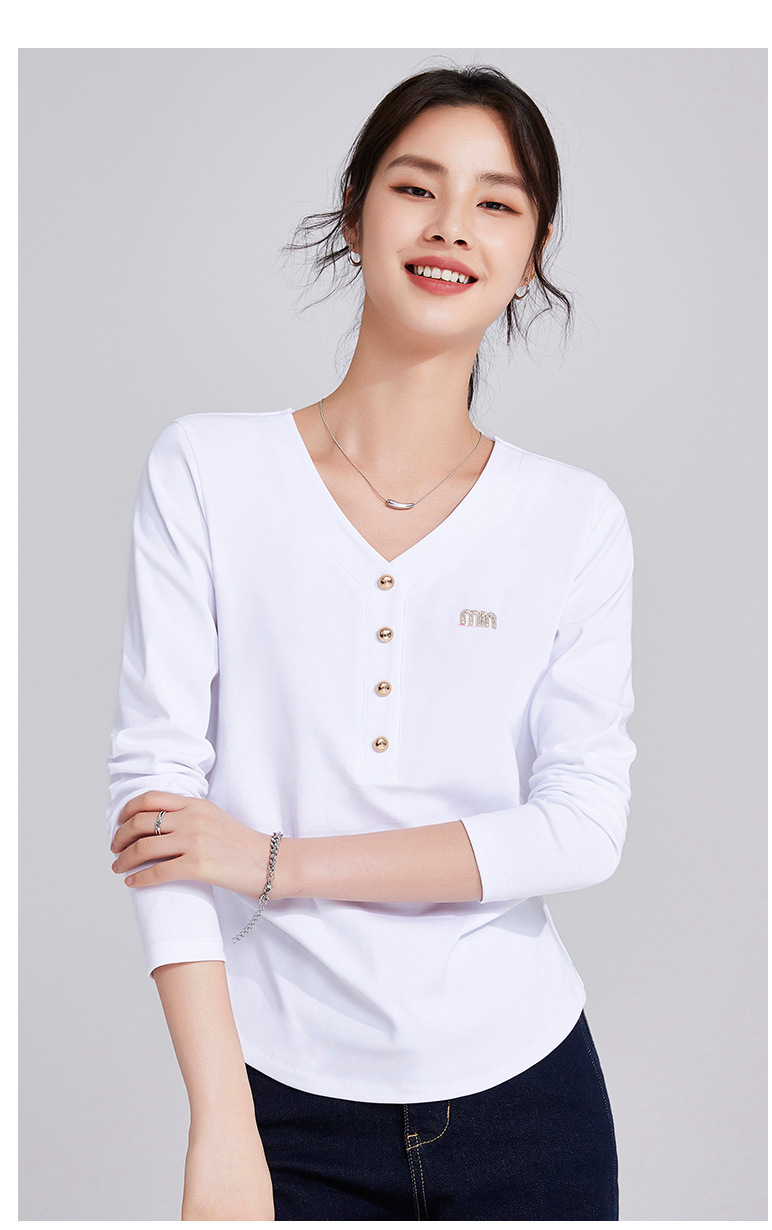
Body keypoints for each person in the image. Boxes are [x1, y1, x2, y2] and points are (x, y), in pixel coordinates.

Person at [106, 64, 635, 1222]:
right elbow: (156, 804)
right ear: (353, 213)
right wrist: (220, 1120)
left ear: (533, 251)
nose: (451, 226)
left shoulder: (574, 518)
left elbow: (584, 826)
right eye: (415, 187)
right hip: (277, 1096)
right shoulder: (207, 471)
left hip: (530, 1098)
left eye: (495, 202)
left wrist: (279, 863)